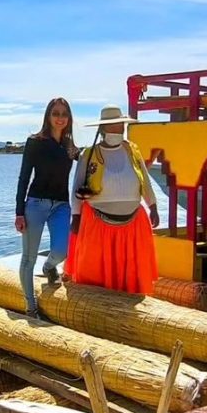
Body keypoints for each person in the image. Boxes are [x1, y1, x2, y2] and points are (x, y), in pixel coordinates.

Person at [67, 105, 159, 295]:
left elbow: (145, 180)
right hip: (97, 223)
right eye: (112, 126)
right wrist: (76, 216)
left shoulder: (133, 151)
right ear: (102, 129)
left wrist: (153, 206)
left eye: (120, 125)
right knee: (95, 275)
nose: (117, 129)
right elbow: (77, 186)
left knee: (131, 275)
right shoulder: (89, 154)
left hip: (133, 225)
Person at [14, 97, 78, 318]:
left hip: (61, 205)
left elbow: (92, 162)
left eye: (64, 114)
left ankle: (49, 267)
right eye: (56, 113)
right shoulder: (35, 142)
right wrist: (19, 212)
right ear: (48, 116)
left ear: (69, 118)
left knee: (62, 251)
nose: (60, 118)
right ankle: (30, 306)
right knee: (28, 258)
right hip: (35, 205)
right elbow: (24, 177)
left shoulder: (70, 147)